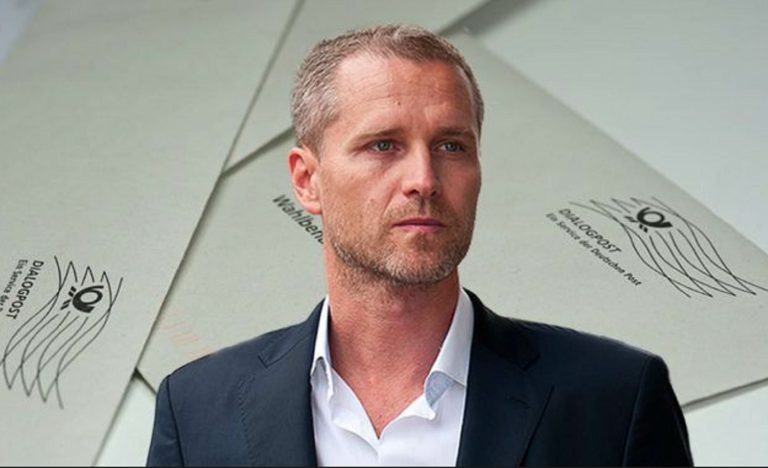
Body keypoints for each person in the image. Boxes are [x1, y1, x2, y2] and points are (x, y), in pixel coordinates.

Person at [147, 24, 692, 466]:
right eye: (384, 145)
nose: (424, 179)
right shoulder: (196, 411)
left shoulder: (614, 399)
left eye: (451, 146)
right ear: (307, 180)